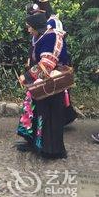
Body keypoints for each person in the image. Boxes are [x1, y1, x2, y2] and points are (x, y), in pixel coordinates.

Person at [17, 12, 68, 159]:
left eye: (29, 27)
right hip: (42, 82)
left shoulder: (51, 37)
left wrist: (26, 77)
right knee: (38, 112)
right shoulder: (41, 36)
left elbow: (47, 64)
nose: (28, 30)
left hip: (53, 84)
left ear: (36, 27)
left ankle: (52, 150)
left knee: (50, 116)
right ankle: (36, 144)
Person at [27, 0, 78, 126]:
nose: (36, 14)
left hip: (55, 63)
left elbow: (56, 45)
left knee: (57, 92)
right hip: (42, 62)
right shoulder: (38, 23)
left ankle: (60, 120)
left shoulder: (54, 23)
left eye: (38, 12)